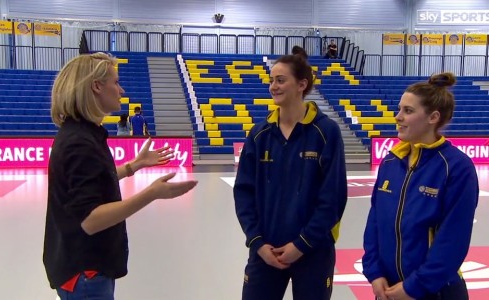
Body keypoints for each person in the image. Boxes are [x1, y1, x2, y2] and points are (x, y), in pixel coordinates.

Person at [43, 52, 198, 300]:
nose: (121, 90)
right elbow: (90, 220)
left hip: (82, 268)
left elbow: (91, 183)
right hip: (86, 275)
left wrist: (132, 166)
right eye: (115, 82)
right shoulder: (80, 143)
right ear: (96, 86)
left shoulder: (82, 133)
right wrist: (151, 193)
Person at [233, 46, 347, 300]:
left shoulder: (326, 132)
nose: (273, 86)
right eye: (272, 80)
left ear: (301, 84)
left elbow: (333, 197)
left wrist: (302, 244)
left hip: (313, 251)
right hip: (266, 250)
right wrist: (257, 242)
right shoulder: (259, 134)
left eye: (281, 80)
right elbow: (243, 193)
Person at [362, 72, 479, 300]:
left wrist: (415, 286)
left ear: (433, 117)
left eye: (408, 111)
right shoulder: (390, 162)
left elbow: (453, 238)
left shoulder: (456, 167)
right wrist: (374, 273)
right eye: (399, 109)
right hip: (388, 290)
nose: (398, 117)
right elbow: (374, 222)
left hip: (435, 290)